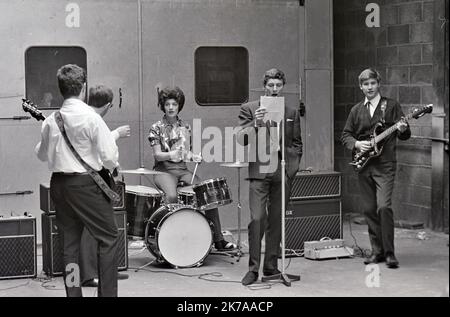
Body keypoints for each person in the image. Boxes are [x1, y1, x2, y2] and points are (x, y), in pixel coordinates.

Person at [35, 64, 120, 297]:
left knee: (69, 247)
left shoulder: (52, 120)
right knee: (108, 238)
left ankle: (73, 293)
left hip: (59, 185)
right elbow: (109, 158)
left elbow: (42, 154)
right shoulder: (91, 118)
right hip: (85, 186)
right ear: (83, 88)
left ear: (61, 89)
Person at [148, 86, 236, 251]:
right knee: (172, 196)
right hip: (163, 171)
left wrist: (193, 157)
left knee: (207, 194)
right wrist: (173, 153)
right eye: (167, 104)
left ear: (179, 105)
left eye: (174, 104)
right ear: (163, 106)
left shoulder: (185, 127)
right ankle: (169, 241)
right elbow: (158, 156)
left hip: (182, 170)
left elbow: (185, 153)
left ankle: (218, 240)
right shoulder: (156, 128)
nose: (171, 107)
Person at [237, 68, 302, 285]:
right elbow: (240, 140)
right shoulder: (249, 109)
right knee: (257, 219)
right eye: (270, 85)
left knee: (276, 220)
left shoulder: (291, 112)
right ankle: (253, 269)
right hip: (259, 171)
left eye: (278, 86)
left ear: (282, 86)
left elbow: (296, 143)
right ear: (264, 85)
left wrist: (290, 169)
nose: (274, 90)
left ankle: (271, 266)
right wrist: (255, 123)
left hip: (281, 170)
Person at [341, 68, 410, 269]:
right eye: (365, 84)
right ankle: (377, 251)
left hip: (385, 164)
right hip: (364, 165)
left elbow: (405, 135)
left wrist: (403, 129)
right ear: (360, 87)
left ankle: (390, 253)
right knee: (369, 209)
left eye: (372, 83)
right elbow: (346, 135)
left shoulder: (392, 106)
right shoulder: (356, 110)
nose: (369, 87)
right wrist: (356, 144)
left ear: (378, 84)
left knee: (384, 207)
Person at [79, 84, 130, 287]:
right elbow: (105, 152)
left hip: (83, 178)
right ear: (108, 105)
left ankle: (104, 271)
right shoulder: (94, 119)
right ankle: (90, 275)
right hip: (92, 178)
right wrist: (116, 134)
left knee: (99, 227)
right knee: (94, 228)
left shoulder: (82, 116)